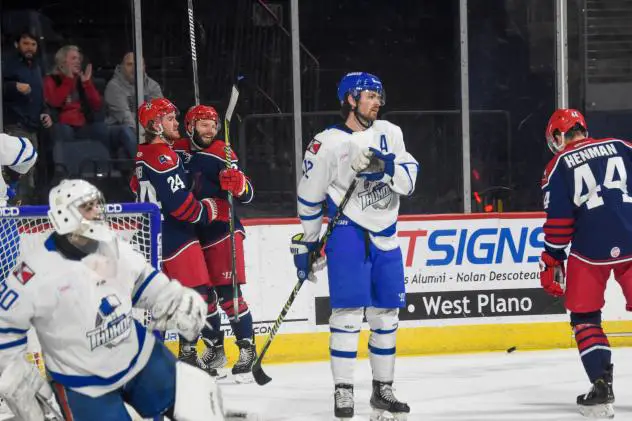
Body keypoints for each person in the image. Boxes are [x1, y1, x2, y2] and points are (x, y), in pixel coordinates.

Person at [0, 179, 225, 421]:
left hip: (140, 357)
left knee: (198, 402)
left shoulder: (110, 243)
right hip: (83, 384)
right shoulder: (32, 273)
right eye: (88, 207)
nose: (98, 211)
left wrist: (172, 298)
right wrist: (17, 373)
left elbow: (142, 281)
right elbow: (5, 327)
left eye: (98, 204)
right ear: (64, 215)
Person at [292, 72, 418, 420]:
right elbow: (309, 197)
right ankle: (344, 391)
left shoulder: (390, 133)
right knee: (347, 315)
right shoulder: (326, 142)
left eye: (380, 95)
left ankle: (383, 389)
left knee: (386, 315)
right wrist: (310, 241)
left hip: (386, 233)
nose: (377, 101)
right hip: (347, 231)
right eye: (370, 96)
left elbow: (409, 179)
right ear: (350, 99)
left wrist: (384, 169)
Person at [539, 108, 632, 418]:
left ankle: (602, 386)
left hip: (589, 247)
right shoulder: (622, 146)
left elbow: (560, 222)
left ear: (557, 136)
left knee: (585, 316)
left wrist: (553, 256)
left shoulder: (558, 165)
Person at [133, 98, 230, 368]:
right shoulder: (163, 157)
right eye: (170, 119)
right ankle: (196, 353)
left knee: (161, 302)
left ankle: (158, 358)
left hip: (151, 237)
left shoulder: (142, 155)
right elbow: (181, 206)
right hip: (175, 236)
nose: (176, 123)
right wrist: (211, 209)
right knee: (200, 295)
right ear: (155, 125)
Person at [183, 105, 257, 381]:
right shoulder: (179, 150)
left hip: (223, 230)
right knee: (202, 299)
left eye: (213, 124)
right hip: (192, 233)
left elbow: (248, 194)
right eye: (203, 124)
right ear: (190, 127)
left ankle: (247, 350)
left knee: (229, 296)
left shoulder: (222, 152)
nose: (210, 129)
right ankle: (215, 350)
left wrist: (239, 185)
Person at [2, 30, 51, 203]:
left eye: (33, 44)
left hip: (32, 127)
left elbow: (40, 95)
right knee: (17, 171)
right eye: (25, 43)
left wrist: (45, 112)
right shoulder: (7, 63)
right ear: (17, 45)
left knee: (30, 172)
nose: (29, 48)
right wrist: (13, 86)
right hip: (13, 125)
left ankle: (24, 211)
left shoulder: (37, 67)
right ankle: (13, 213)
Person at [44, 45, 109, 148]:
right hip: (62, 124)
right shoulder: (51, 79)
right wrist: (67, 80)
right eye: (74, 58)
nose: (78, 62)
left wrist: (87, 84)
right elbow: (54, 102)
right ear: (62, 62)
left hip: (83, 124)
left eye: (79, 59)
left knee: (102, 130)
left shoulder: (81, 80)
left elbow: (97, 105)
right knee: (64, 131)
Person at [105, 52, 163, 131]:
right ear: (122, 67)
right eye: (129, 64)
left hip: (146, 131)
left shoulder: (153, 86)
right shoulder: (114, 86)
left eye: (138, 64)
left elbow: (158, 113)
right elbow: (126, 119)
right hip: (119, 131)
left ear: (144, 67)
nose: (134, 68)